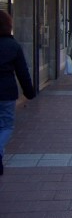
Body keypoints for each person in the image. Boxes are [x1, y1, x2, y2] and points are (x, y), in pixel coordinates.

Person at [0, 10, 36, 176]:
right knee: (6, 125)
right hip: (6, 92)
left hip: (7, 92)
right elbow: (22, 72)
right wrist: (29, 92)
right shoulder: (13, 46)